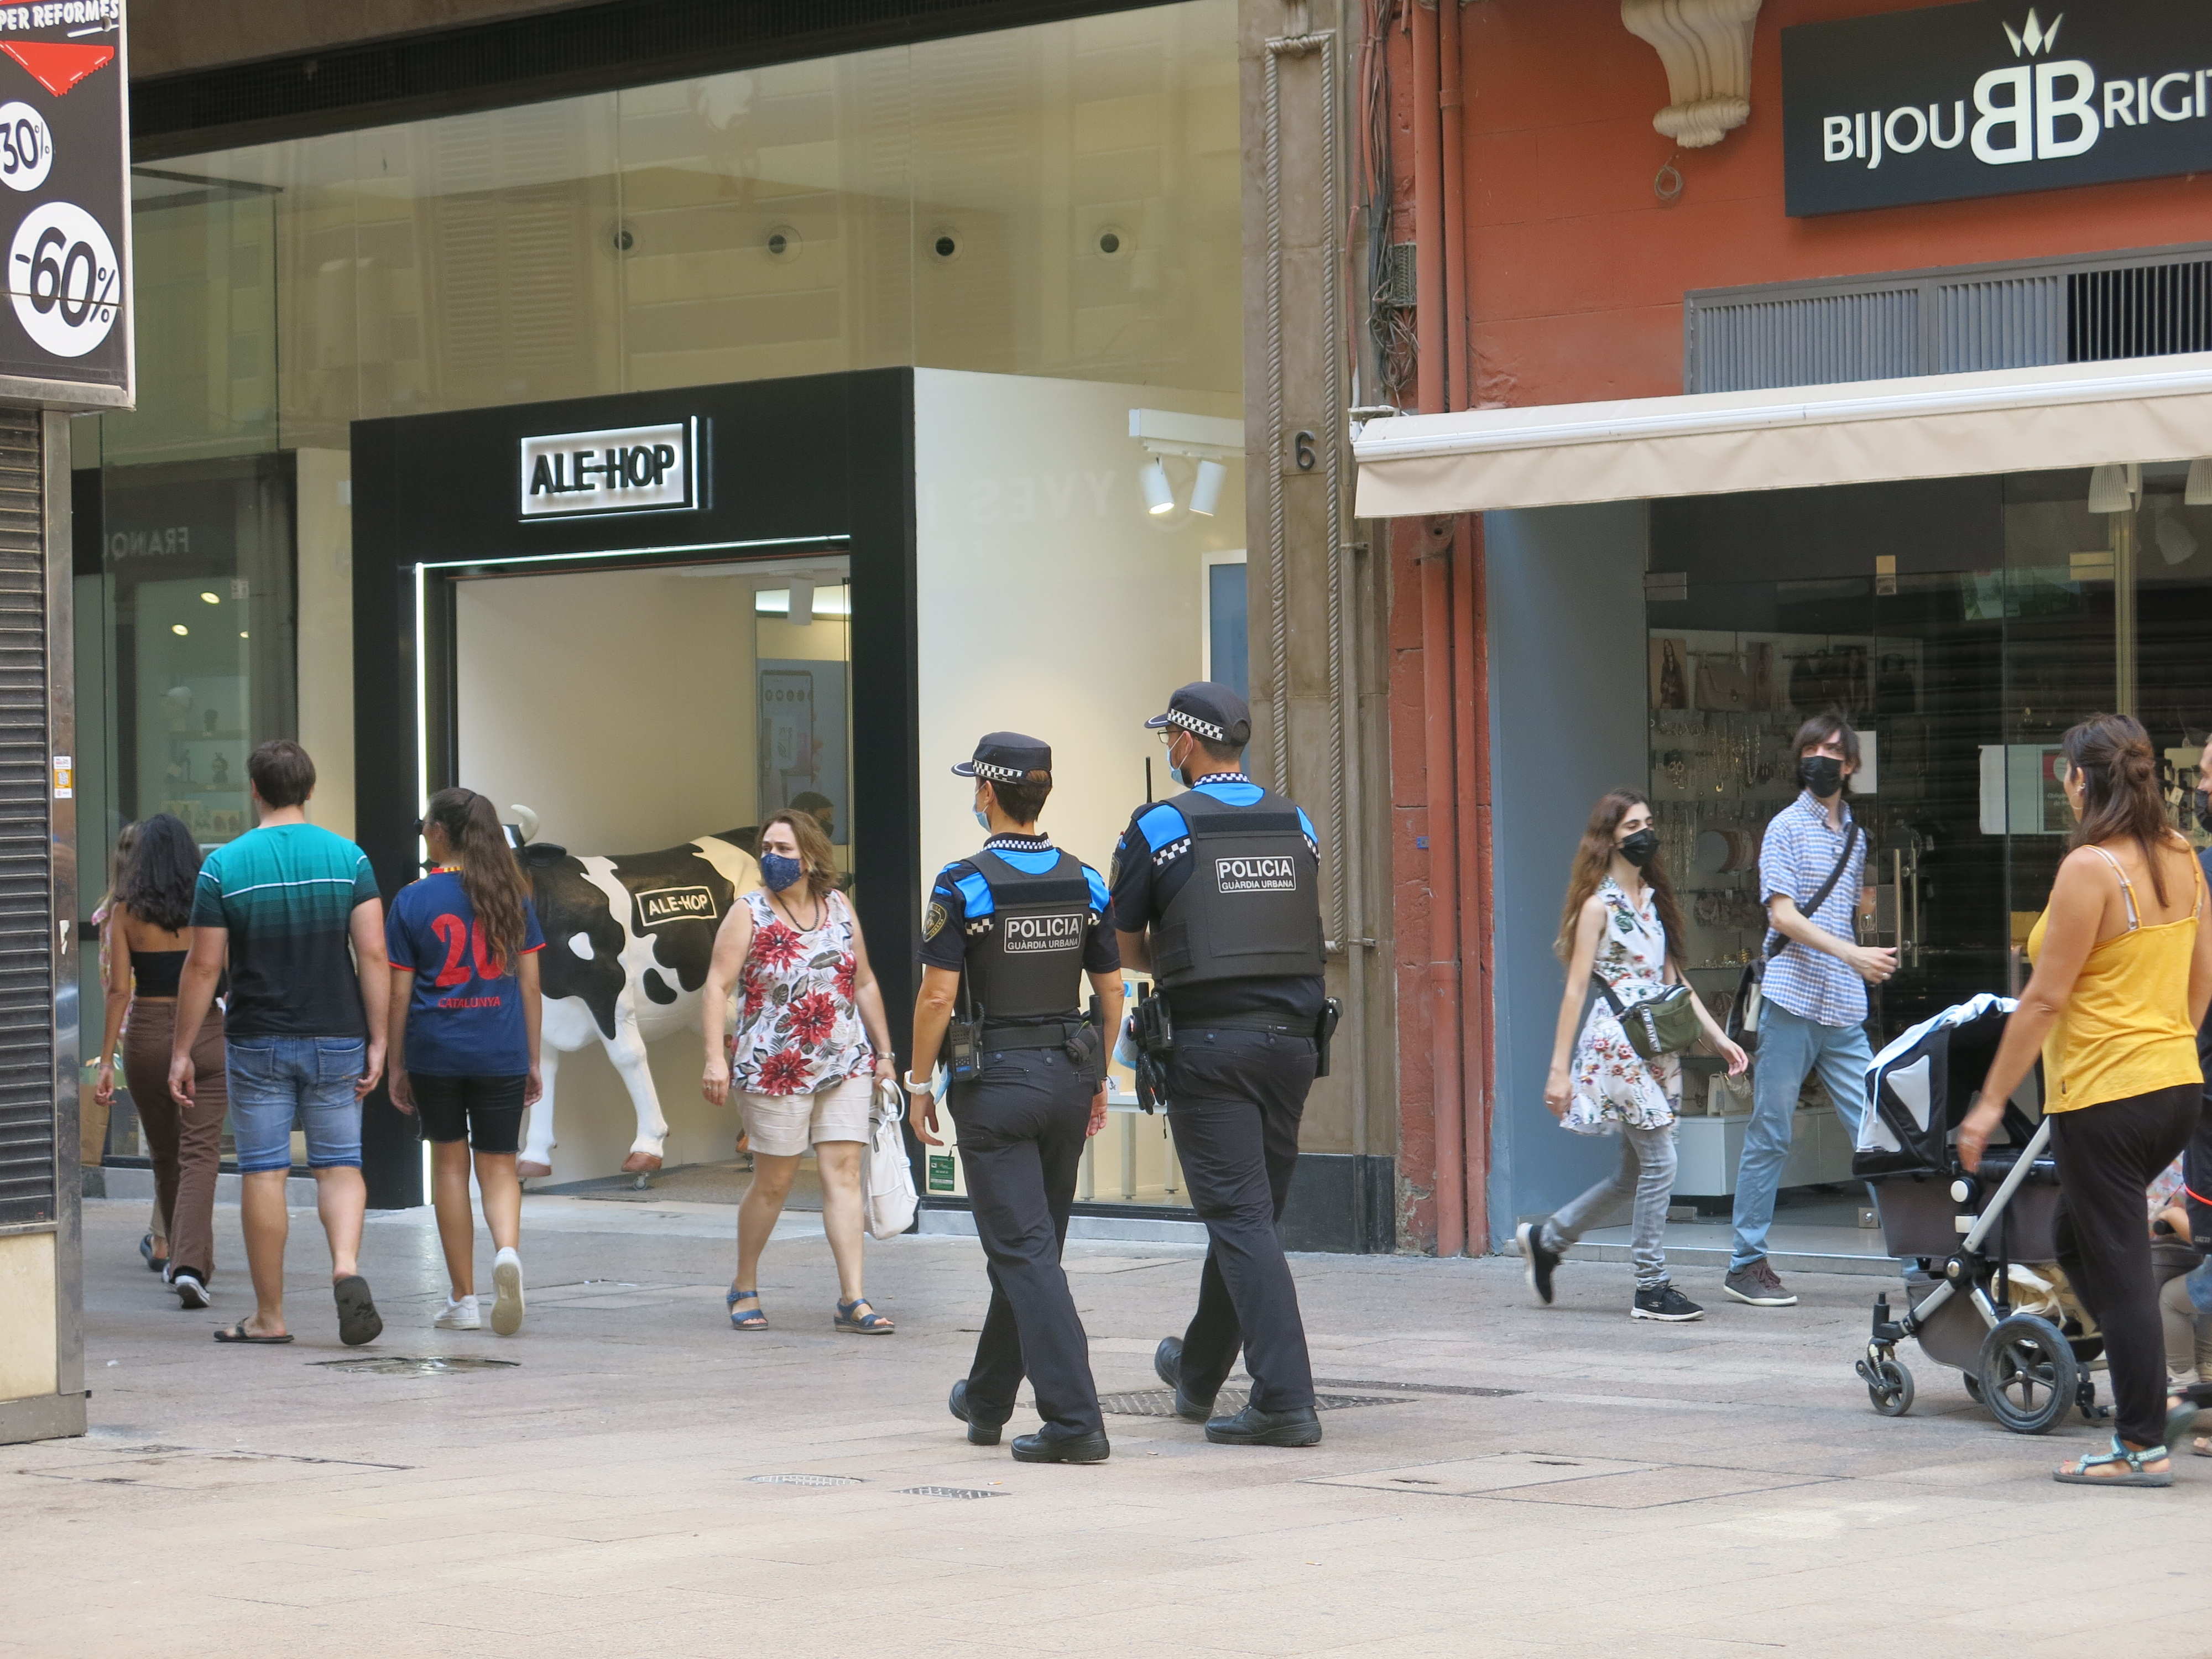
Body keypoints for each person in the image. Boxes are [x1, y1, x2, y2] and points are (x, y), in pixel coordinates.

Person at [1961, 713, 2212, 1488]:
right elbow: (2202, 978)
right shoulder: (2181, 856)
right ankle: (2152, 1388)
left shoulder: (2089, 868)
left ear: (2081, 781)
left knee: (2115, 1261)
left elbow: (2042, 1000)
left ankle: (2140, 1443)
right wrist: (2166, 1046)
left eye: (2063, 774)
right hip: (2172, 1087)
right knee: (2074, 1235)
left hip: (2105, 1096)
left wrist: (1988, 1105)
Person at [1113, 682, 1327, 1448]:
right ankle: (1199, 1372)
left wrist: (1182, 960)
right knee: (1250, 1218)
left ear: (1184, 742)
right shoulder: (1296, 820)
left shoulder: (1161, 825)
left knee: (1239, 1218)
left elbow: (1124, 942)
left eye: (1168, 738)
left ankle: (1284, 1399)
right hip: (1294, 1044)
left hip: (1210, 1046)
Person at [910, 733, 1123, 1464]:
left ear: (987, 793)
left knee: (1025, 1251)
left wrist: (918, 1083)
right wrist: (1100, 1075)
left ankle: (1075, 1421)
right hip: (1067, 1074)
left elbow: (936, 996)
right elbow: (1111, 991)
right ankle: (988, 1398)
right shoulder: (1085, 880)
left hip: (996, 1084)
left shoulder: (962, 884)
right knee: (1031, 1245)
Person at [170, 739, 391, 1347]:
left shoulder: (224, 866)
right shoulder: (349, 859)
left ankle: (270, 1316)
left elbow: (203, 965)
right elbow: (373, 953)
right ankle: (344, 1266)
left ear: (255, 791)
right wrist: (379, 1039)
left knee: (265, 1173)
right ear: (310, 790)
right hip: (338, 1034)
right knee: (339, 1164)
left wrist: (182, 1049)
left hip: (257, 1039)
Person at [1519, 790, 1746, 1321]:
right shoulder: (1597, 907)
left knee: (1632, 1174)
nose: (1645, 833)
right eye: (1632, 826)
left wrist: (1718, 1038)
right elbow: (1576, 989)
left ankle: (1548, 1241)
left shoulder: (1652, 900)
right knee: (1662, 1162)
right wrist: (1558, 1072)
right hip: (1617, 1046)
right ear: (1609, 838)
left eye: (1648, 823)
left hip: (1656, 1045)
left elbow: (1675, 983)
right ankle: (1651, 1285)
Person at [701, 806, 898, 1334]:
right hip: (776, 1067)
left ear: (810, 856)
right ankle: (744, 1283)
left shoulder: (839, 906)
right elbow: (717, 985)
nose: (773, 857)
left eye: (784, 849)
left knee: (844, 1172)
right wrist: (715, 1057)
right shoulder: (748, 912)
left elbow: (864, 982)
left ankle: (853, 1298)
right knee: (775, 1181)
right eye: (767, 848)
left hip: (845, 1060)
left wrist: (884, 1054)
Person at [1726, 713, 1895, 1308]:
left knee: (1877, 1133)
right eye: (1811, 749)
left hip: (1842, 1005)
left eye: (1832, 750)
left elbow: (1842, 915)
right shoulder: (1785, 828)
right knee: (1770, 1131)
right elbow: (1784, 916)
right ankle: (1745, 1263)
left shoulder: (1856, 836)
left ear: (1851, 765)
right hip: (1791, 998)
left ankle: (1918, 1258)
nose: (1820, 758)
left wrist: (1856, 959)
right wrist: (1853, 955)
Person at [386, 787, 545, 1335]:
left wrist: (396, 1063)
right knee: (499, 1165)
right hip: (501, 1049)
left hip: (436, 1051)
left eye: (425, 825)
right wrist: (532, 1057)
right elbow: (530, 987)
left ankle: (464, 1298)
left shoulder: (412, 900)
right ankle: (507, 1252)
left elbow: (399, 994)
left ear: (439, 833)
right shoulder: (512, 894)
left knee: (450, 1168)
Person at [92, 814, 228, 1310]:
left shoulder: (124, 913)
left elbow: (118, 991)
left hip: (147, 1034)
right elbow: (223, 972)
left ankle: (184, 1261)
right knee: (201, 1154)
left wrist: (106, 1062)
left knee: (165, 1154)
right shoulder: (211, 905)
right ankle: (190, 1264)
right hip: (206, 1030)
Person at [88, 822, 166, 1272]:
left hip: (136, 1037)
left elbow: (114, 989)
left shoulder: (111, 914)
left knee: (162, 1140)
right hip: (177, 1029)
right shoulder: (175, 912)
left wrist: (108, 1058)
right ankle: (169, 1236)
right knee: (183, 1144)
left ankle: (167, 1235)